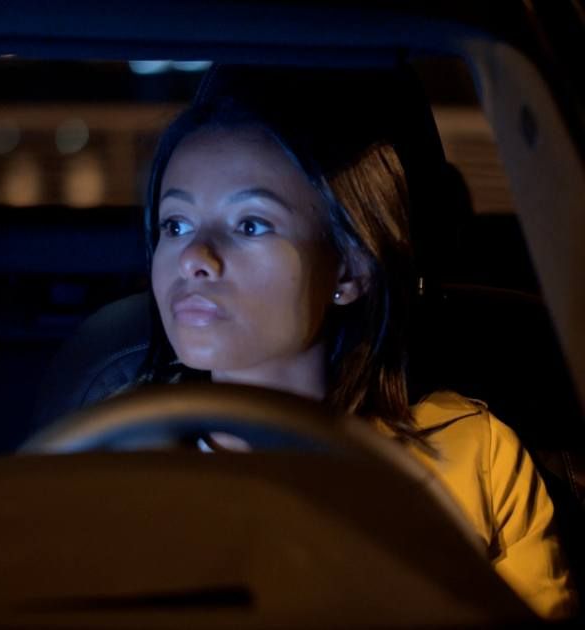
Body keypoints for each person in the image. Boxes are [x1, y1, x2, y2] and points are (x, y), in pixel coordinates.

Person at [139, 84, 576, 618]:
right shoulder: (109, 469)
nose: (194, 258)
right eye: (175, 225)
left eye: (250, 224)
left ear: (350, 268)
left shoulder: (471, 460)